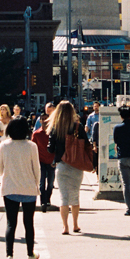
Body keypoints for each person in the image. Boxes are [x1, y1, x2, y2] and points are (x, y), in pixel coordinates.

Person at [0, 115, 41, 259]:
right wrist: (37, 185)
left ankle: (9, 256)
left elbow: (0, 169)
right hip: (29, 188)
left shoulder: (4, 145)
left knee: (11, 223)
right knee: (28, 223)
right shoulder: (31, 146)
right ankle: (30, 254)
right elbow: (37, 169)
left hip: (10, 188)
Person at [46, 100, 88, 235]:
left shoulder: (55, 128)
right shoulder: (78, 126)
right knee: (75, 195)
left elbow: (50, 149)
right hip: (76, 165)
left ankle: (65, 227)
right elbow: (86, 144)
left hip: (62, 165)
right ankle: (76, 224)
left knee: (63, 197)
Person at [113, 105, 130, 216]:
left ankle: (129, 207)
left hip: (123, 156)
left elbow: (116, 140)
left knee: (126, 184)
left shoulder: (117, 128)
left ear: (121, 116)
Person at [31, 111, 56, 211]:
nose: (45, 121)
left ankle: (48, 198)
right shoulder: (36, 134)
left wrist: (55, 160)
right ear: (40, 121)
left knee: (50, 183)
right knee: (41, 184)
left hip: (51, 161)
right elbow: (33, 148)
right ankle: (43, 202)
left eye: (46, 119)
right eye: (43, 119)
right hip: (40, 161)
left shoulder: (53, 133)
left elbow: (56, 147)